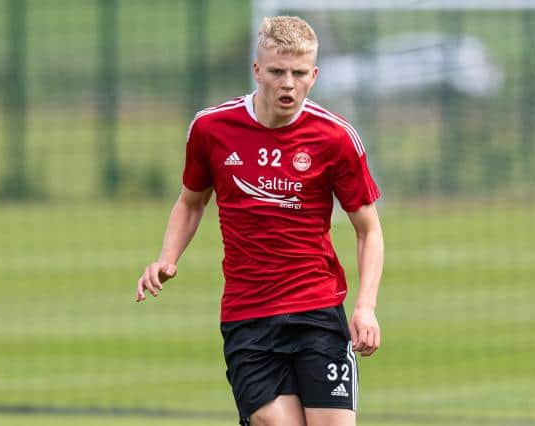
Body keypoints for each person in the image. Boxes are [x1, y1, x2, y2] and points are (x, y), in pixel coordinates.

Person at [136, 15, 383, 426]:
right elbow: (191, 202)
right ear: (257, 70)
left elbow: (368, 229)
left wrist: (366, 307)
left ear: (315, 74)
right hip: (248, 316)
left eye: (299, 73)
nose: (288, 83)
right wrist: (167, 256)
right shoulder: (211, 128)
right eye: (277, 72)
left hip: (316, 311)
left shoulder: (335, 138)